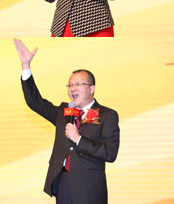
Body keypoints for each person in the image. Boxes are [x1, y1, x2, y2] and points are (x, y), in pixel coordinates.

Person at [14, 39, 119, 203]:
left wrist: (78, 139)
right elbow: (35, 102)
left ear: (91, 89)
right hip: (63, 184)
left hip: (89, 188)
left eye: (78, 84)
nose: (72, 89)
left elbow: (109, 153)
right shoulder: (64, 113)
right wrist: (26, 66)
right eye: (70, 85)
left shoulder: (107, 115)